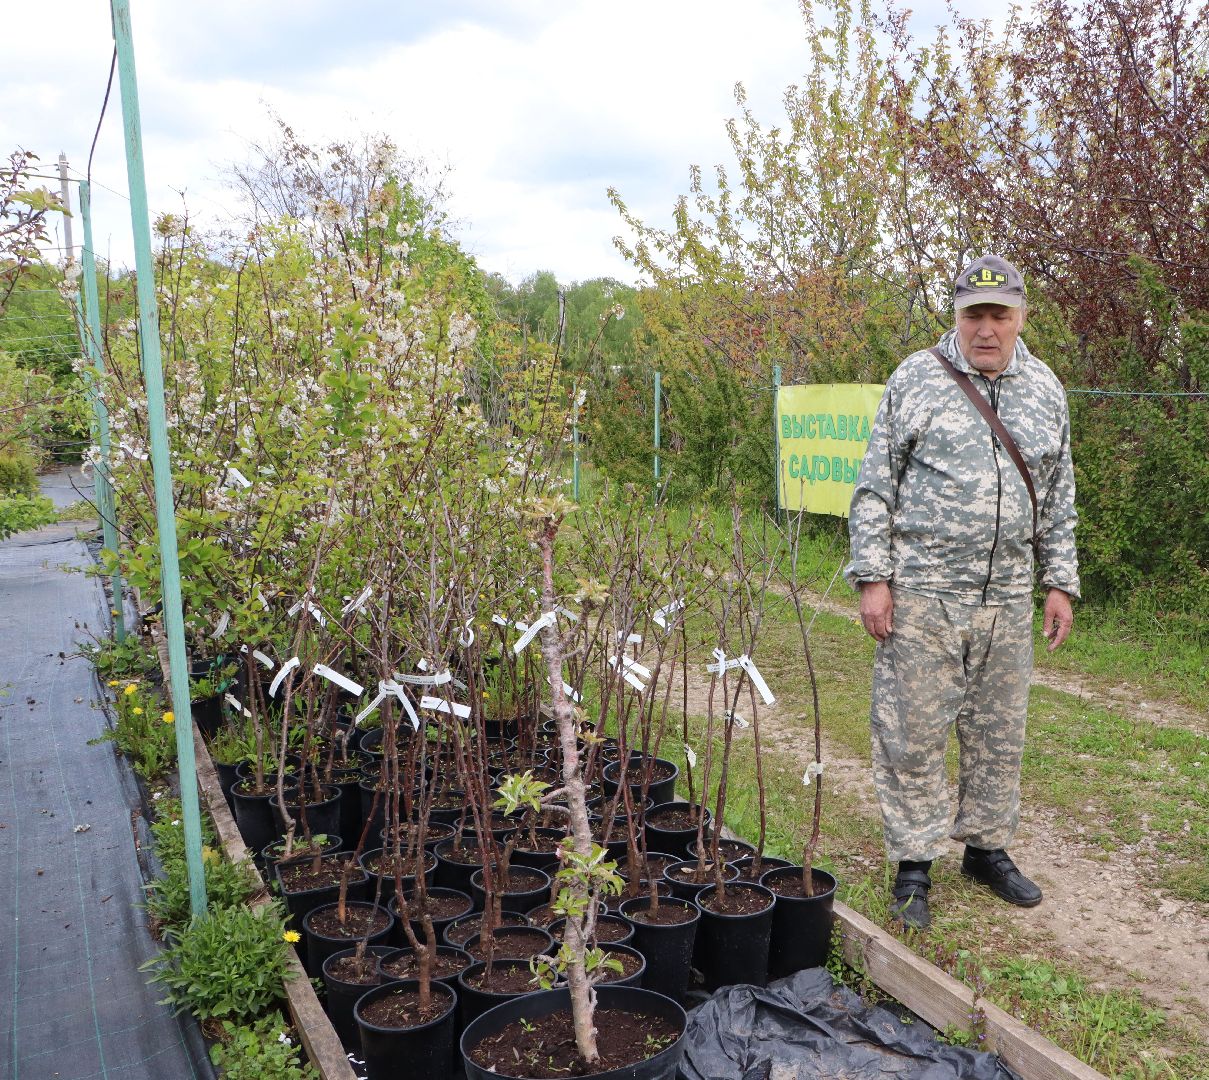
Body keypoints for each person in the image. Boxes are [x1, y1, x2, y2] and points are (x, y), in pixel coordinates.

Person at [844, 255, 1079, 930]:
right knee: (912, 733)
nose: (986, 329)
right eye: (974, 315)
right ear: (956, 317)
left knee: (998, 732)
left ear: (1020, 317)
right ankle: (913, 865)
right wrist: (873, 578)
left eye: (999, 315)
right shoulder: (916, 378)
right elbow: (874, 487)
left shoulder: (1045, 389)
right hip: (923, 593)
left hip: (1007, 595)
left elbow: (1057, 496)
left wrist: (1058, 582)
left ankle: (985, 848)